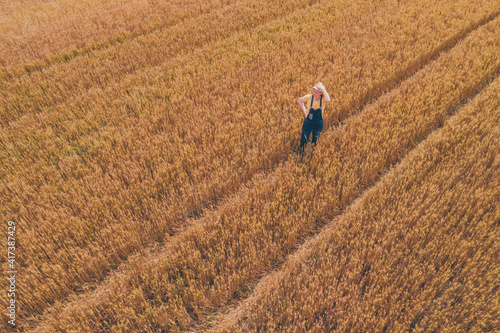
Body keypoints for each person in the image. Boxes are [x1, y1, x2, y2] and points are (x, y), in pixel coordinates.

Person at [297, 82, 330, 151]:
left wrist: (323, 89)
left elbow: (328, 100)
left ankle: (313, 151)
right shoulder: (309, 97)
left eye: (317, 92)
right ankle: (301, 151)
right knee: (304, 137)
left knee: (316, 137)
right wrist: (304, 110)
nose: (314, 93)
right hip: (308, 122)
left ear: (321, 93)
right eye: (314, 91)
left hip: (318, 123)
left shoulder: (323, 99)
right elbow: (300, 101)